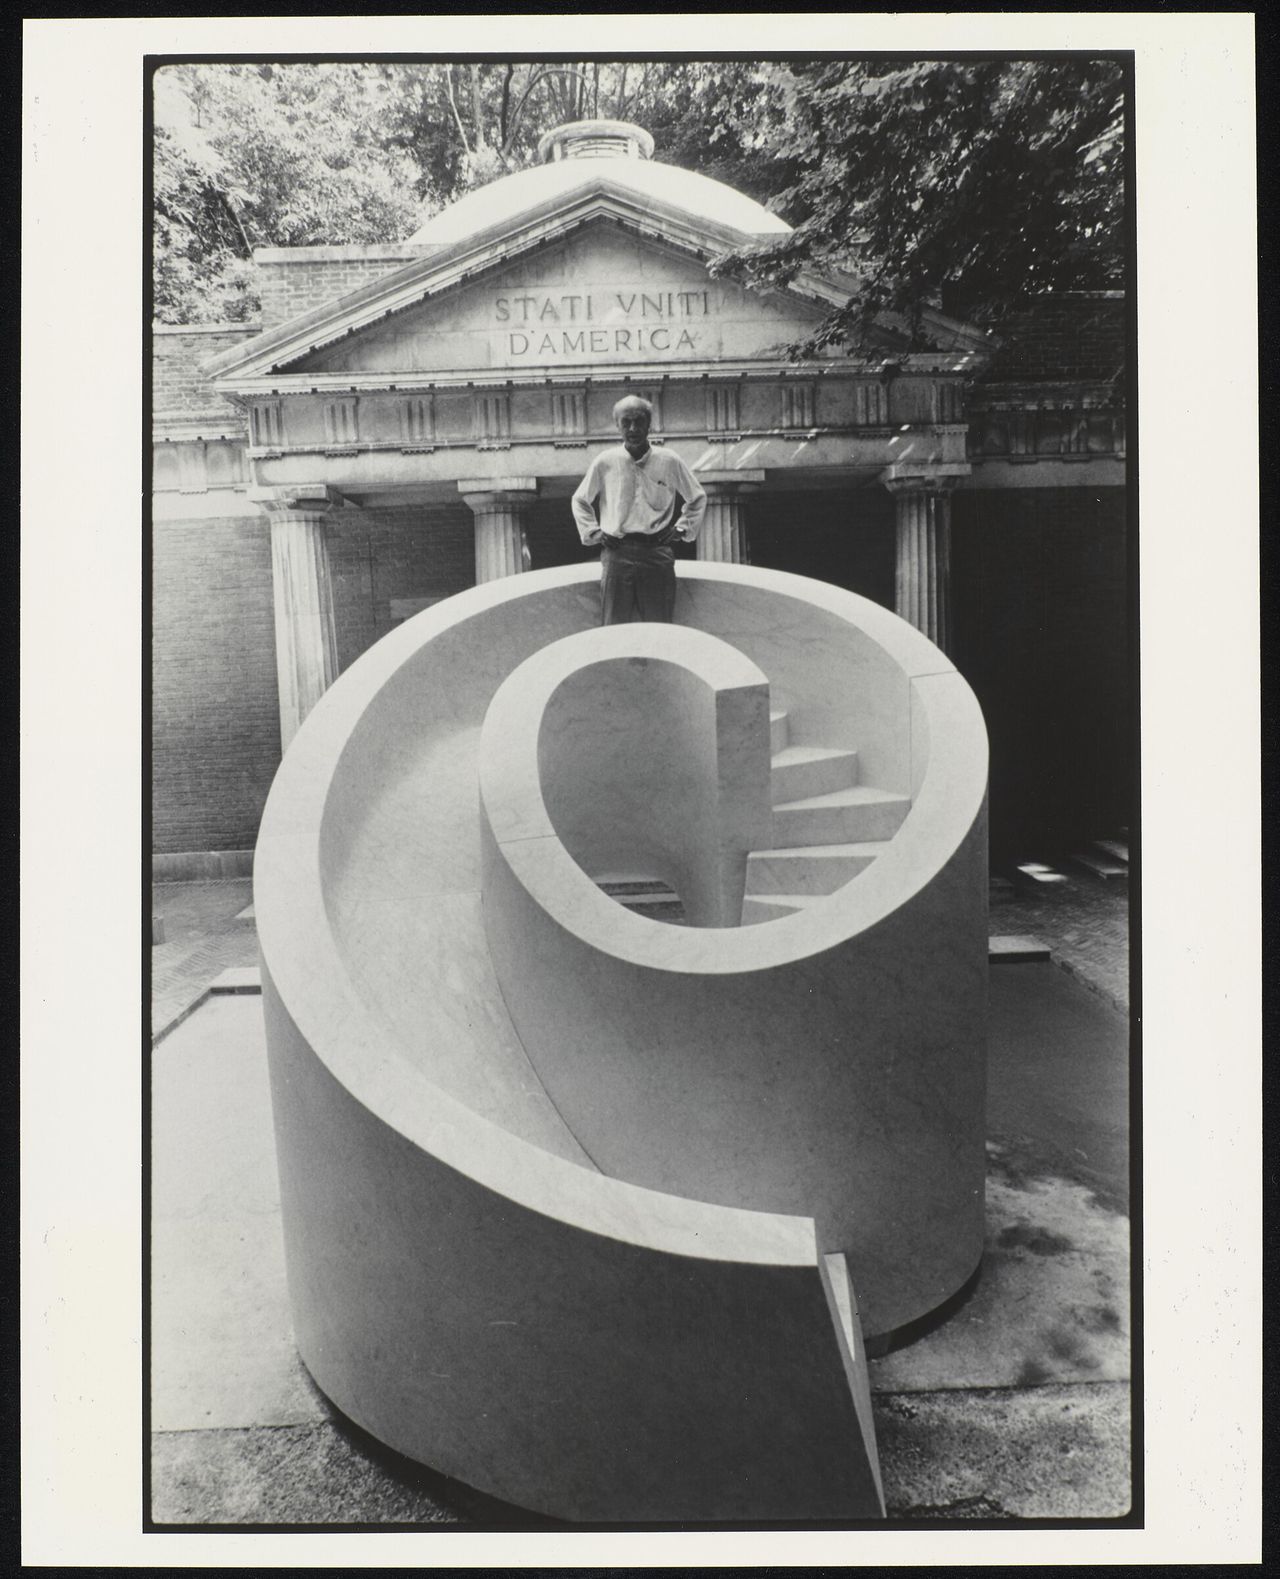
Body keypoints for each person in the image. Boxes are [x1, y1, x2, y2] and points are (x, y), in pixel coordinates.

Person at [571, 395, 707, 624]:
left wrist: (681, 529)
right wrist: (595, 532)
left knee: (659, 624)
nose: (633, 428)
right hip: (617, 553)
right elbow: (579, 500)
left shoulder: (669, 460)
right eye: (626, 422)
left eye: (639, 421)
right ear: (617, 425)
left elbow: (697, 497)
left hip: (657, 553)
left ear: (649, 424)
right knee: (615, 624)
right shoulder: (605, 461)